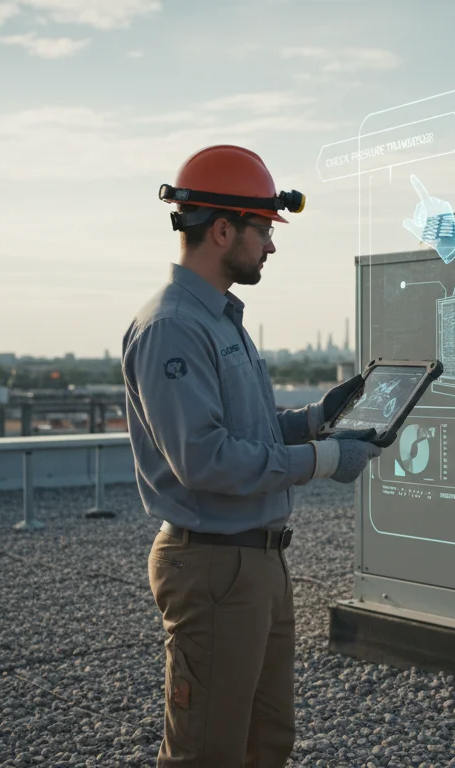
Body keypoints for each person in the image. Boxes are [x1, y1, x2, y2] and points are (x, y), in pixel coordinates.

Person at [122, 144, 383, 767]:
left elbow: (251, 431)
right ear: (221, 229)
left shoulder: (219, 320)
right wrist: (324, 459)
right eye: (263, 229)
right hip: (213, 568)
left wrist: (322, 418)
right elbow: (206, 461)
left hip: (256, 564)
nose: (270, 246)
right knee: (208, 752)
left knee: (266, 744)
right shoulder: (173, 327)